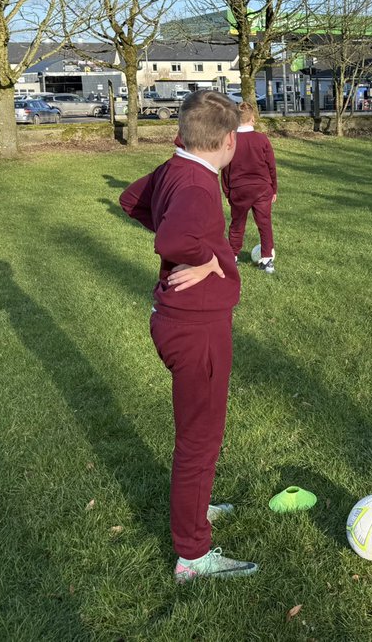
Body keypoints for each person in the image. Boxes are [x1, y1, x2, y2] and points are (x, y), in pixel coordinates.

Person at [118, 90, 258, 583]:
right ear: (225, 141)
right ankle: (193, 557)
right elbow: (172, 238)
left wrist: (193, 252)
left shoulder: (175, 166)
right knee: (199, 443)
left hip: (175, 319)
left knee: (198, 439)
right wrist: (202, 259)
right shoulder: (198, 187)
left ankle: (196, 509)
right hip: (195, 330)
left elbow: (130, 199)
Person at [221, 102, 278, 274]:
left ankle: (232, 257)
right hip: (262, 188)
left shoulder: (230, 140)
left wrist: (227, 192)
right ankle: (267, 260)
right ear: (253, 119)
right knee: (264, 224)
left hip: (239, 189)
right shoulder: (262, 139)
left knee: (237, 224)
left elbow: (225, 168)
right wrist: (273, 188)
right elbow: (271, 166)